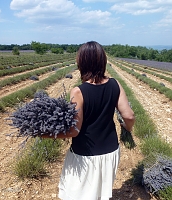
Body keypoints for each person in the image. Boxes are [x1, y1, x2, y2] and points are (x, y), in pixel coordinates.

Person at [43, 41, 135, 200]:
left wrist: (45, 134)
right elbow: (129, 116)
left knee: (78, 193)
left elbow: (74, 130)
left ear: (82, 63)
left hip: (85, 155)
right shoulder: (115, 84)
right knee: (99, 193)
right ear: (103, 61)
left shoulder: (78, 91)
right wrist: (127, 127)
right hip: (111, 151)